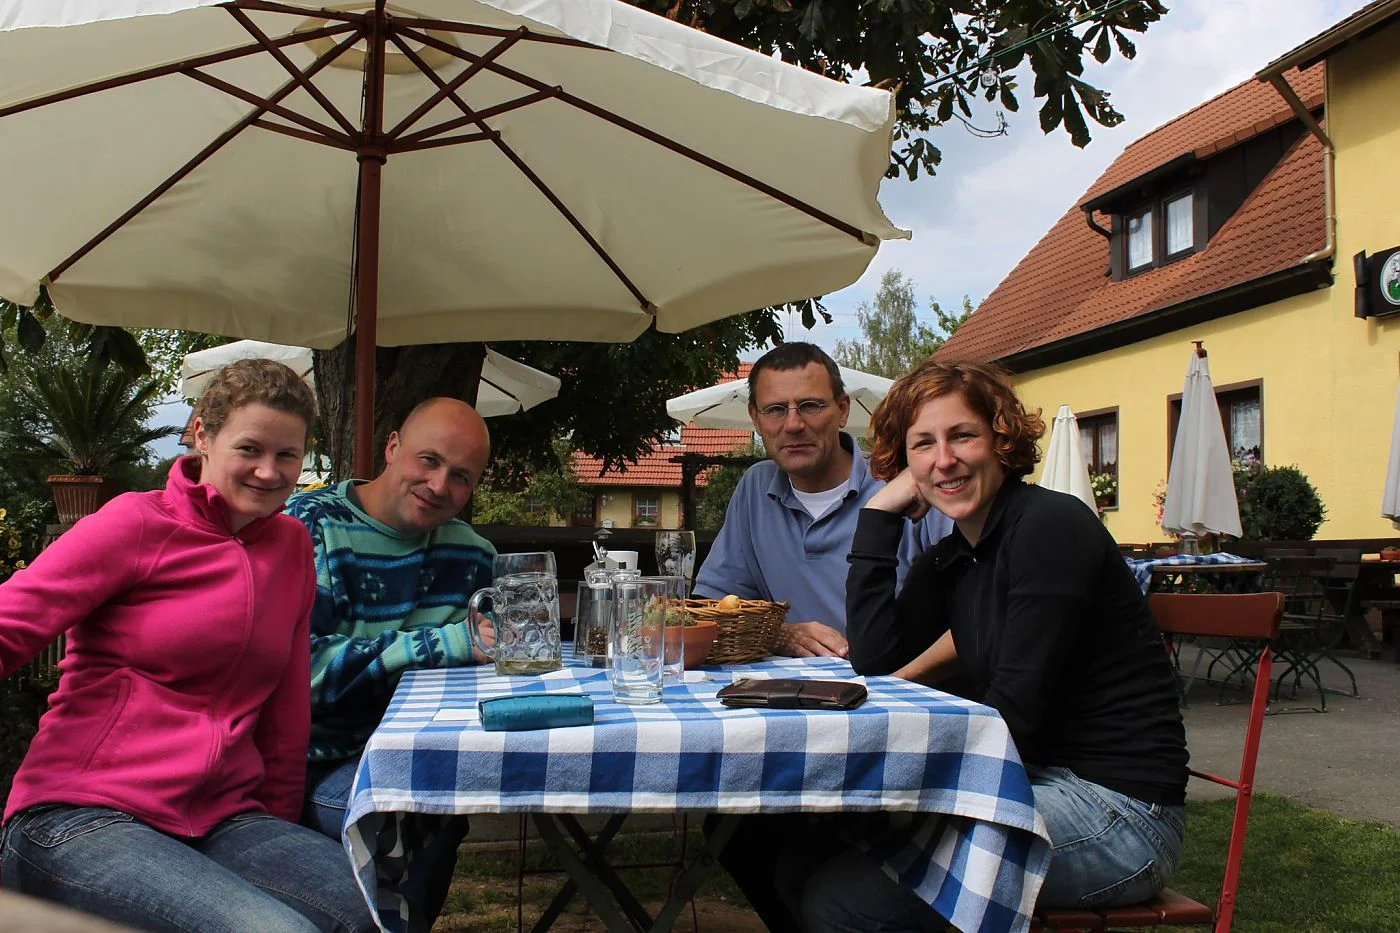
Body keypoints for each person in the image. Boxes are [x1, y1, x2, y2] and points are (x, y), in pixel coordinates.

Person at [785, 359, 1188, 931]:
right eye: (923, 444)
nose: (944, 460)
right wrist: (877, 515)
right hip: (1037, 783)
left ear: (1000, 441)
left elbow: (1013, 718)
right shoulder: (960, 554)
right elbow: (878, 662)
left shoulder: (1051, 527)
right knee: (796, 851)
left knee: (844, 898)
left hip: (1119, 815)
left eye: (963, 436)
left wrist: (902, 788)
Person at [0, 359, 374, 933]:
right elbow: (10, 624)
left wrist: (276, 828)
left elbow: (285, 710)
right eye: (250, 449)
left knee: (373, 911)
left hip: (224, 819)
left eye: (288, 456)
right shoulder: (134, 524)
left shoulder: (292, 546)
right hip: (85, 814)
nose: (270, 472)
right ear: (202, 434)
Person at [285, 396, 496, 927]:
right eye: (429, 460)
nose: (440, 486)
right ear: (392, 446)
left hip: (418, 756)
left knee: (436, 800)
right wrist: (443, 644)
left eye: (462, 477)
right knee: (418, 810)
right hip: (313, 763)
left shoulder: (473, 555)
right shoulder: (310, 526)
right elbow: (298, 671)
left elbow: (500, 655)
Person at [694, 342, 951, 658]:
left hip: (904, 691)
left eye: (810, 405)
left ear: (843, 410)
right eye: (775, 410)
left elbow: (975, 615)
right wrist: (779, 635)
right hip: (791, 698)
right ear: (756, 420)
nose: (793, 425)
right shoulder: (755, 488)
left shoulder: (907, 484)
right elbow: (713, 612)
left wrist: (901, 680)